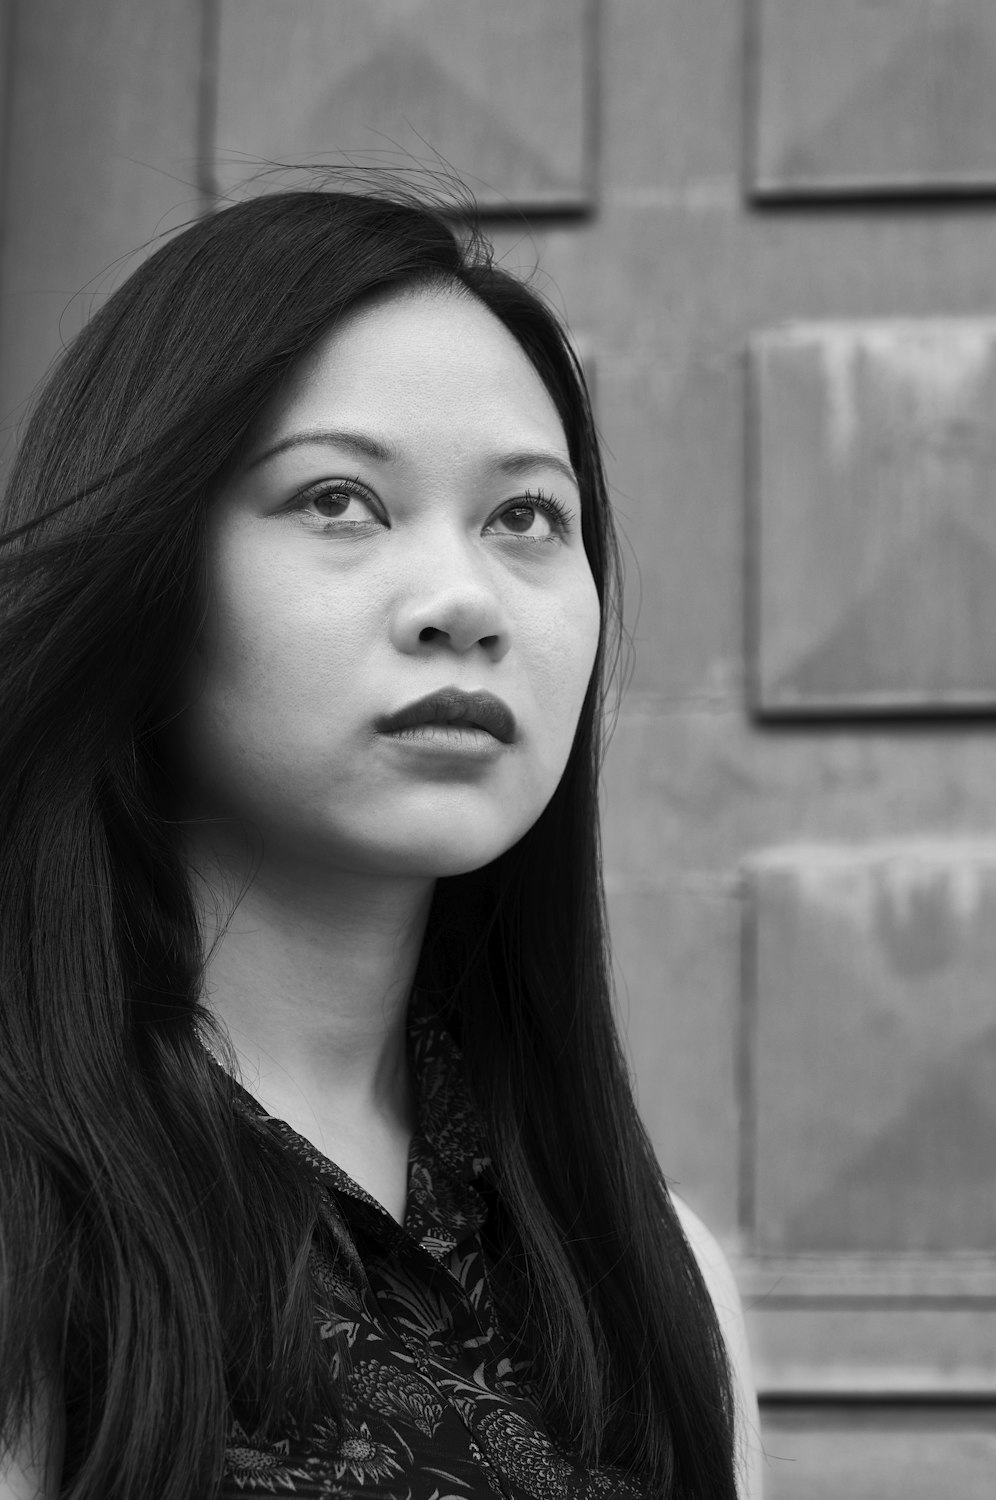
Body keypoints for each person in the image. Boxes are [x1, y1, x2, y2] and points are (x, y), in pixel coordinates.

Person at [0, 185, 759, 1500]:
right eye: (342, 500)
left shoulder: (667, 1287)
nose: (462, 601)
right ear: (150, 562)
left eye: (526, 516)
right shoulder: (34, 1235)